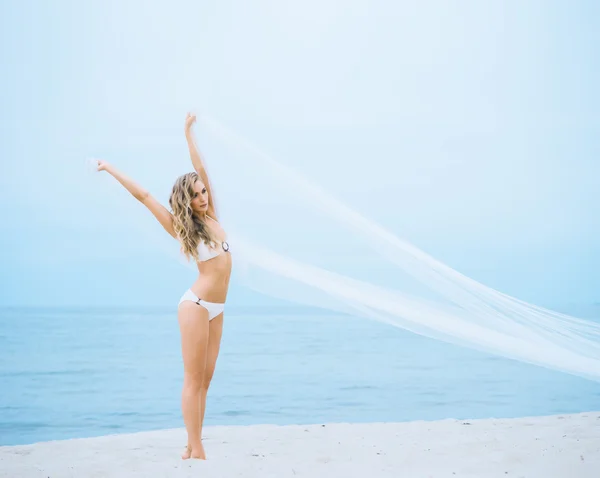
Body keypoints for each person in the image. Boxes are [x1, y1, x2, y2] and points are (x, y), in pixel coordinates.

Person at [96, 113, 232, 460]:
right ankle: (197, 449)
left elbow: (199, 164)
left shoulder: (213, 215)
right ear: (186, 200)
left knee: (207, 381)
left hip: (218, 309)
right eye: (197, 195)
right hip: (196, 305)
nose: (202, 197)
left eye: (203, 191)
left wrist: (187, 132)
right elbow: (143, 196)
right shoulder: (181, 227)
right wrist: (110, 168)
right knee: (192, 378)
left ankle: (191, 443)